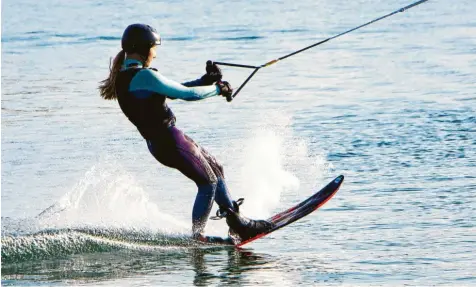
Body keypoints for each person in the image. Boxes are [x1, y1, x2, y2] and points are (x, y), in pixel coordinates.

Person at [98, 23, 273, 243]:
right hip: (168, 141)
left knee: (216, 168)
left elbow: (172, 89)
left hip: (162, 142)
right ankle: (197, 237)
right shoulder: (142, 76)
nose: (155, 53)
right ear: (143, 48)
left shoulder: (128, 75)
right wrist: (218, 89)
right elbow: (187, 94)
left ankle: (238, 222)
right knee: (208, 182)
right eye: (154, 47)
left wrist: (204, 81)